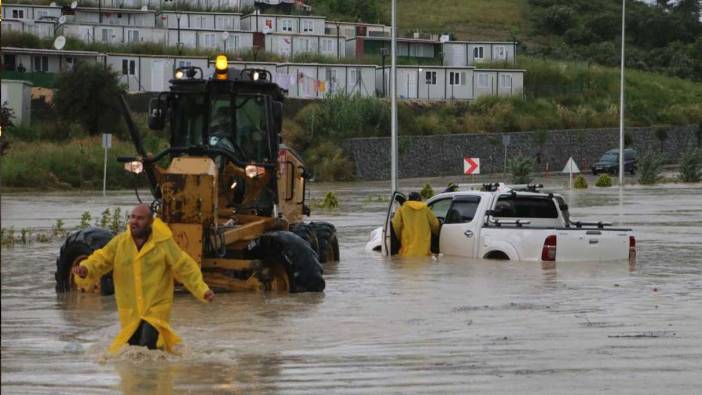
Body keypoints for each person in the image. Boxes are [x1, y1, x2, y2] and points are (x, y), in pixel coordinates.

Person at [72, 203, 214, 354]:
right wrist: (85, 269)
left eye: (140, 218)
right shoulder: (120, 243)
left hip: (156, 308)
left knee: (147, 344)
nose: (134, 221)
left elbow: (184, 267)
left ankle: (154, 375)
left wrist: (202, 290)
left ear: (150, 222)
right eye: (132, 217)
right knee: (133, 350)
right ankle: (147, 375)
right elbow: (100, 260)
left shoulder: (164, 243)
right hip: (131, 312)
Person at [391, 191, 440, 257]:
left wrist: (398, 238)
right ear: (419, 199)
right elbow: (435, 224)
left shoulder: (402, 209)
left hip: (407, 250)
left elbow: (396, 226)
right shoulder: (425, 209)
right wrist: (437, 234)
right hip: (424, 249)